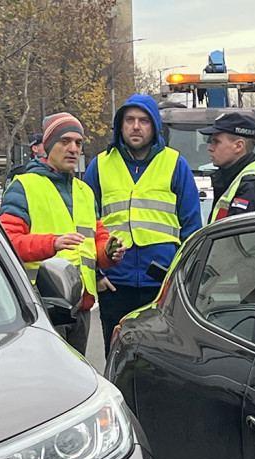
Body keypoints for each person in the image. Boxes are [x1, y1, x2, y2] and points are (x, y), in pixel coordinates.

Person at [84, 94, 202, 356]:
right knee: (117, 356)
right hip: (115, 283)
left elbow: (191, 227)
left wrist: (181, 279)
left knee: (161, 360)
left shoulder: (175, 164)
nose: (136, 127)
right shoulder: (100, 165)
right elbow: (85, 224)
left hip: (160, 285)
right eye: (129, 120)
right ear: (120, 125)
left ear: (154, 127)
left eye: (144, 121)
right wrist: (97, 275)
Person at [0, 113, 124, 354]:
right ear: (48, 146)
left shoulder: (84, 191)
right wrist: (53, 243)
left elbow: (96, 240)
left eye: (78, 143)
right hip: (41, 307)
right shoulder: (23, 187)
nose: (73, 149)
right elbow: (7, 243)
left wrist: (110, 252)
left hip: (80, 308)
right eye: (64, 141)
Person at [199, 113, 255, 223]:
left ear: (238, 146)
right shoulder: (235, 179)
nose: (210, 148)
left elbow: (242, 238)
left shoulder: (252, 187)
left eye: (216, 142)